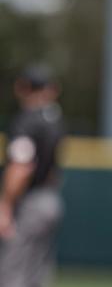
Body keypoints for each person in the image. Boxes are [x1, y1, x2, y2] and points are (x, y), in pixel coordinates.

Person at [0, 65, 65, 287]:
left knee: (13, 273)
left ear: (23, 88)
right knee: (37, 274)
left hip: (29, 202)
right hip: (51, 199)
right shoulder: (55, 120)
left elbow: (21, 167)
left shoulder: (26, 121)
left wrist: (6, 206)